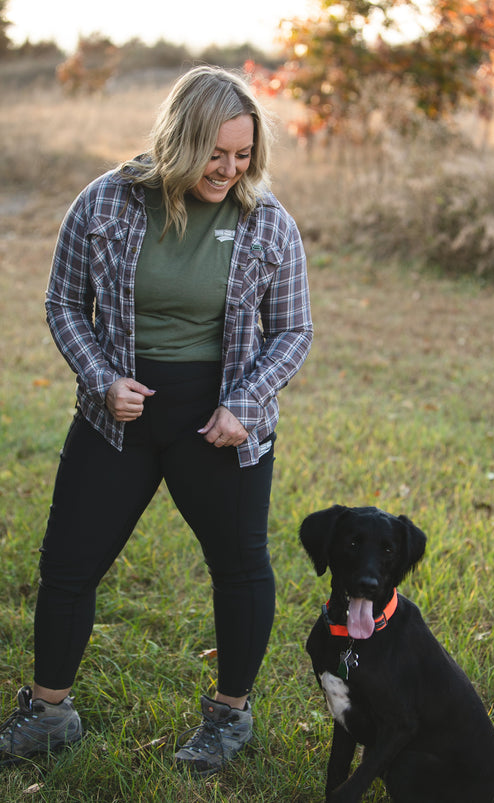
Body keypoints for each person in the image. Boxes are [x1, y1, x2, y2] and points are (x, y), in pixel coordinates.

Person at [0, 65, 313, 775]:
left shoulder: (267, 220)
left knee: (238, 566)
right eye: (215, 154)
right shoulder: (105, 202)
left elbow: (293, 330)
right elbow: (62, 304)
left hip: (219, 420)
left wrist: (247, 402)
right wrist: (102, 378)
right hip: (119, 415)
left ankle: (229, 716)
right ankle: (50, 712)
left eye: (243, 155)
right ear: (178, 140)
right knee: (67, 565)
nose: (229, 170)